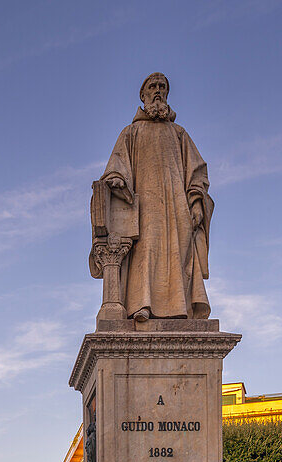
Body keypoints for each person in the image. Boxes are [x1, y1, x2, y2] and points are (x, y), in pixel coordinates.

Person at [91, 72, 213, 321]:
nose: (158, 91)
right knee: (146, 251)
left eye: (162, 87)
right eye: (153, 86)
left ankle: (180, 308)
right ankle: (141, 305)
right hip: (144, 206)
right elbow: (117, 164)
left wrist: (197, 201)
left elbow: (197, 171)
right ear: (143, 95)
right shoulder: (131, 132)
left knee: (179, 254)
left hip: (177, 206)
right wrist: (117, 178)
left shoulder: (179, 133)